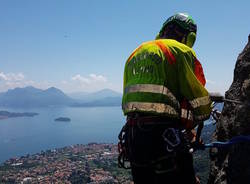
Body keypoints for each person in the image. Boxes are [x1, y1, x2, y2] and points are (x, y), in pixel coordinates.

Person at [118, 13, 212, 184]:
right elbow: (198, 99)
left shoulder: (134, 54)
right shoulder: (181, 51)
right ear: (189, 36)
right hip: (164, 140)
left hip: (133, 138)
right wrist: (197, 123)